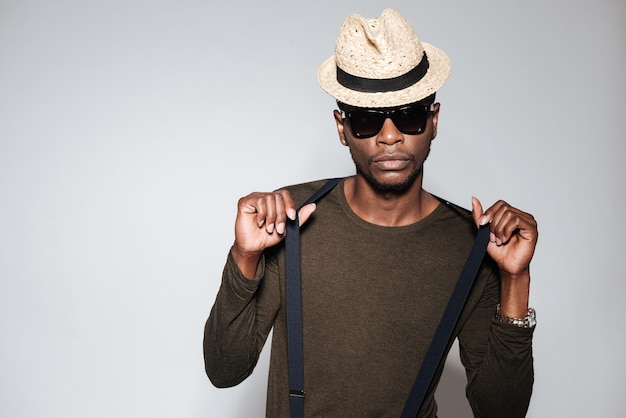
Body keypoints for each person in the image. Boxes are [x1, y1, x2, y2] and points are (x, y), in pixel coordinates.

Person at [204, 8, 537, 418]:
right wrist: (244, 257)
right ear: (341, 128)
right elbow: (224, 370)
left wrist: (515, 279)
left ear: (433, 121)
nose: (391, 136)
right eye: (366, 120)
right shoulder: (289, 218)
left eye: (410, 115)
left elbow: (501, 410)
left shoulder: (474, 244)